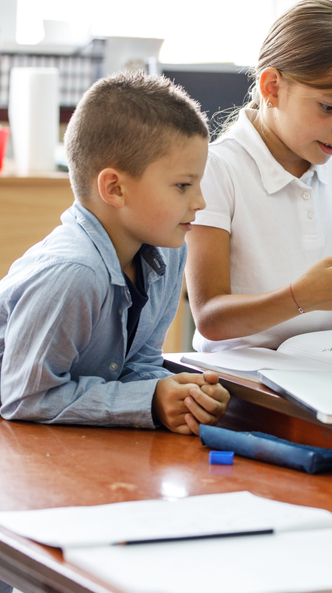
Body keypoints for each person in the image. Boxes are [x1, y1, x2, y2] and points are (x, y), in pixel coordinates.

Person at [0, 72, 230, 436]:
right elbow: (24, 396)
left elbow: (137, 363)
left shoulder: (168, 255)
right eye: (183, 186)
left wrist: (179, 394)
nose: (200, 203)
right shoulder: (74, 272)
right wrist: (146, 401)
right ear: (115, 188)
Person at [186, 0, 332, 352]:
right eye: (329, 107)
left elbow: (320, 281)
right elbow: (210, 318)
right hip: (247, 379)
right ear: (272, 88)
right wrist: (301, 296)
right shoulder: (217, 168)